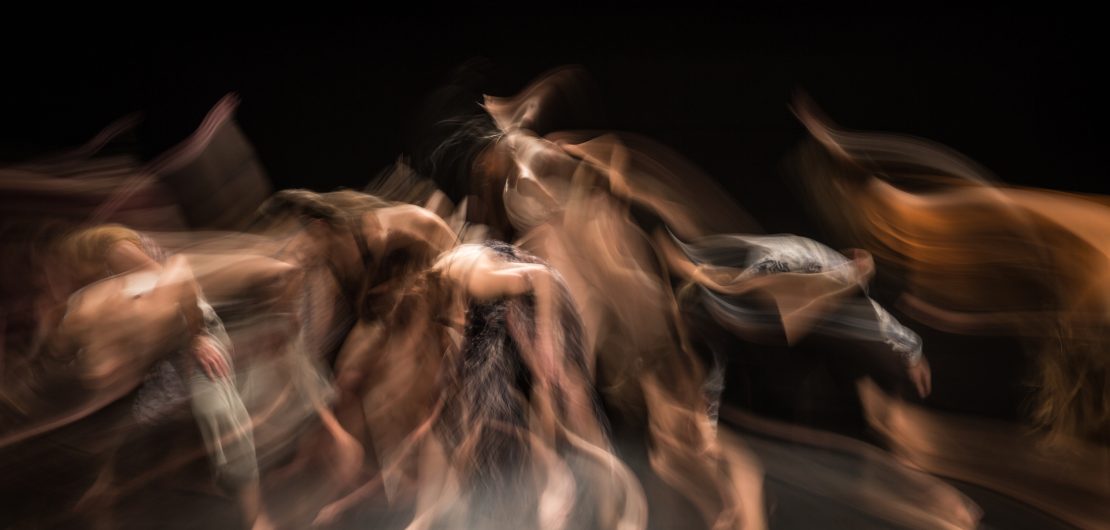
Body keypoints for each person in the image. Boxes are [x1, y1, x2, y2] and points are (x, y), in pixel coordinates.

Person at [39, 224, 265, 528]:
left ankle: (256, 515)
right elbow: (64, 354)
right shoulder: (80, 313)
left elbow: (181, 277)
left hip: (191, 327)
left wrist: (197, 339)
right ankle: (104, 494)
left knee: (217, 410)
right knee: (120, 424)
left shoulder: (121, 266)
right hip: (147, 343)